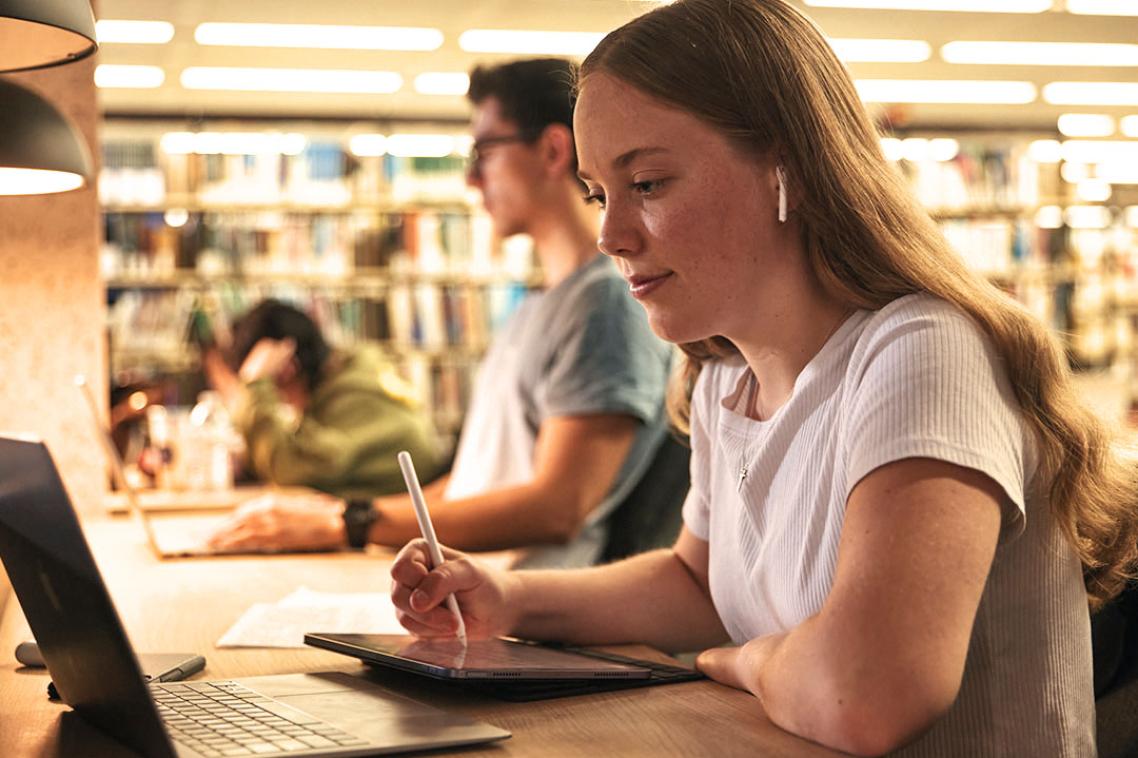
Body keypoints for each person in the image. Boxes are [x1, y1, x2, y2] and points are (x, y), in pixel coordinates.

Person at [387, 2, 1138, 756]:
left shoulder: (924, 354)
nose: (612, 235)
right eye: (598, 194)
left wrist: (749, 660)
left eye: (647, 183)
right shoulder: (725, 375)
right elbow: (697, 581)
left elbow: (870, 693)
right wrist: (507, 596)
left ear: (790, 169)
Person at [208, 58, 673, 569]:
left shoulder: (605, 304)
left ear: (552, 150)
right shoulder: (537, 305)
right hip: (468, 591)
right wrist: (339, 512)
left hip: (525, 616)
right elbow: (478, 481)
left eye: (484, 152)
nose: (471, 180)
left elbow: (557, 507)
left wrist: (351, 523)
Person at [203, 299, 443, 501]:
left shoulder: (350, 396)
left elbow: (288, 472)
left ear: (286, 369)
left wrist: (255, 385)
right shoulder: (349, 378)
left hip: (409, 524)